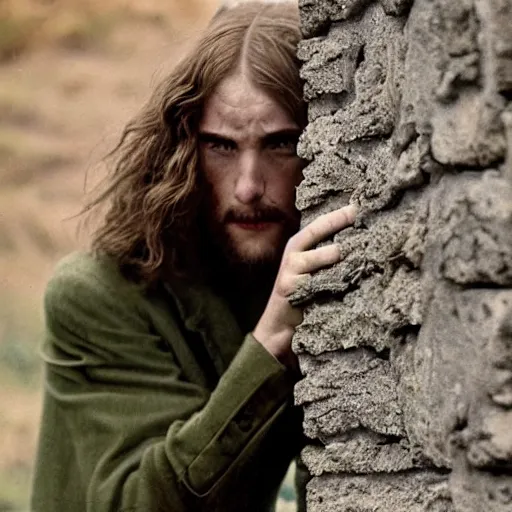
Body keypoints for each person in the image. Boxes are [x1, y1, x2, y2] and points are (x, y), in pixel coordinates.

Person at [30, 2, 356, 511]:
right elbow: (141, 503)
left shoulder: (324, 279)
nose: (248, 187)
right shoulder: (96, 297)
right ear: (184, 149)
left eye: (281, 144)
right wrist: (270, 343)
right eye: (221, 147)